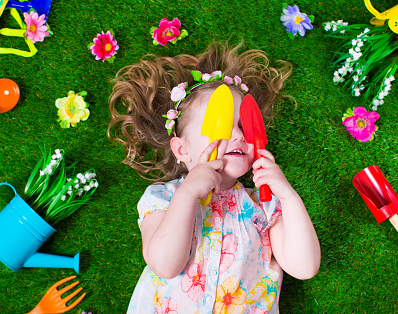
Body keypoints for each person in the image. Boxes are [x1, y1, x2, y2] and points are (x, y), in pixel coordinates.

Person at [108, 41, 320, 313]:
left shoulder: (266, 205)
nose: (240, 136)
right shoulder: (163, 198)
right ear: (182, 149)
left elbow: (305, 267)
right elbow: (164, 265)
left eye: (243, 126)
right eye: (221, 125)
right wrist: (187, 195)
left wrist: (288, 196)